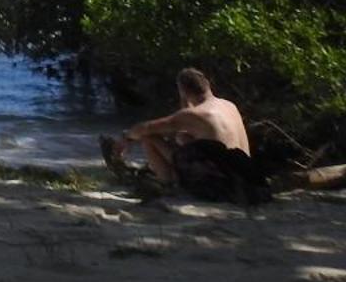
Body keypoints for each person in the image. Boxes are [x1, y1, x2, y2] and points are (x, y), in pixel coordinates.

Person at [101, 67, 268, 203]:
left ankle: (168, 184)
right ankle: (170, 179)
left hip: (223, 185)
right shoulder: (229, 105)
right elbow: (181, 133)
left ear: (182, 91)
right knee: (184, 139)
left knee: (149, 138)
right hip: (248, 179)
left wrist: (125, 138)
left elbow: (145, 128)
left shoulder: (196, 115)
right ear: (208, 85)